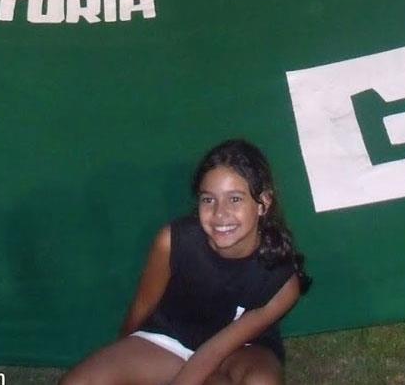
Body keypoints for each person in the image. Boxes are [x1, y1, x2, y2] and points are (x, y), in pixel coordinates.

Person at [62, 139, 310, 385]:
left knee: (261, 382)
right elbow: (141, 308)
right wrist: (122, 365)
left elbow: (215, 351)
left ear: (263, 204)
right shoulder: (173, 241)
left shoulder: (283, 281)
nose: (220, 213)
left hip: (238, 350)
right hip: (170, 341)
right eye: (208, 199)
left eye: (235, 199)